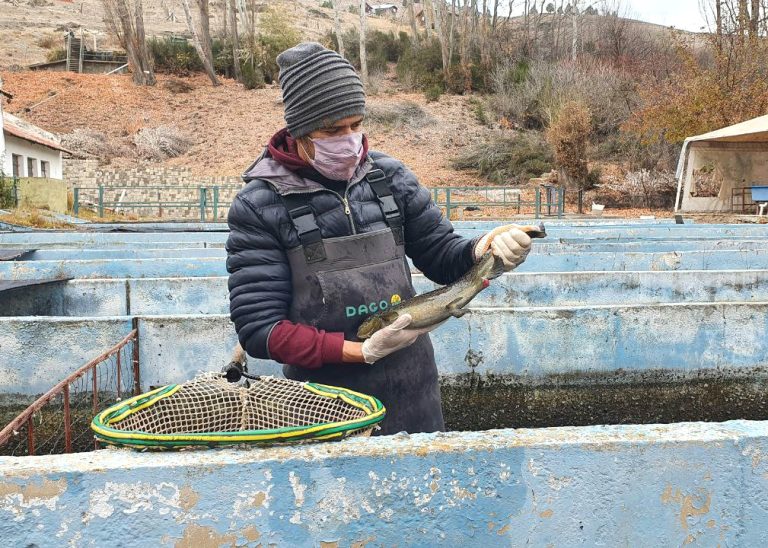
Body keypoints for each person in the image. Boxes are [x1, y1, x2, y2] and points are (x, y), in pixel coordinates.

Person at [226, 42, 532, 435]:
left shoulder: (389, 178)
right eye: (333, 130)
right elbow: (259, 330)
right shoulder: (259, 205)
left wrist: (487, 249)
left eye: (356, 124)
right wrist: (360, 351)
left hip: (415, 395)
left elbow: (442, 256)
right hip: (323, 411)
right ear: (299, 131)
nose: (350, 140)